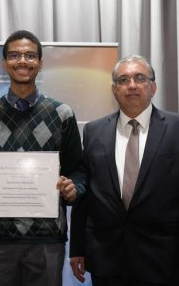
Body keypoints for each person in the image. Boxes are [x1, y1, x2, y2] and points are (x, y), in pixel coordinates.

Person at [0, 30, 87, 286]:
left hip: (47, 239)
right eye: (15, 55)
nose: (23, 61)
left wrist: (74, 189)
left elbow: (79, 171)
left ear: (40, 63)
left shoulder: (62, 114)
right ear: (4, 62)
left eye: (30, 55)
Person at [70, 54, 179, 285]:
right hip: (106, 259)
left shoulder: (176, 129)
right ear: (114, 89)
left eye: (140, 78)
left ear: (153, 87)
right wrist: (77, 248)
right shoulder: (93, 132)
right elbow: (86, 198)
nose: (131, 85)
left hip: (163, 258)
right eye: (123, 80)